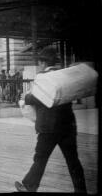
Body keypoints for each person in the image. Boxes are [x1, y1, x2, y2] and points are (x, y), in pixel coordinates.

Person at [15, 47, 87, 193]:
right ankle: (81, 190)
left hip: (48, 127)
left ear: (42, 63)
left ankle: (29, 186)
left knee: (40, 158)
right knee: (73, 160)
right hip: (68, 125)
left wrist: (25, 98)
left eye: (40, 62)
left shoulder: (43, 77)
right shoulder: (64, 76)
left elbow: (38, 97)